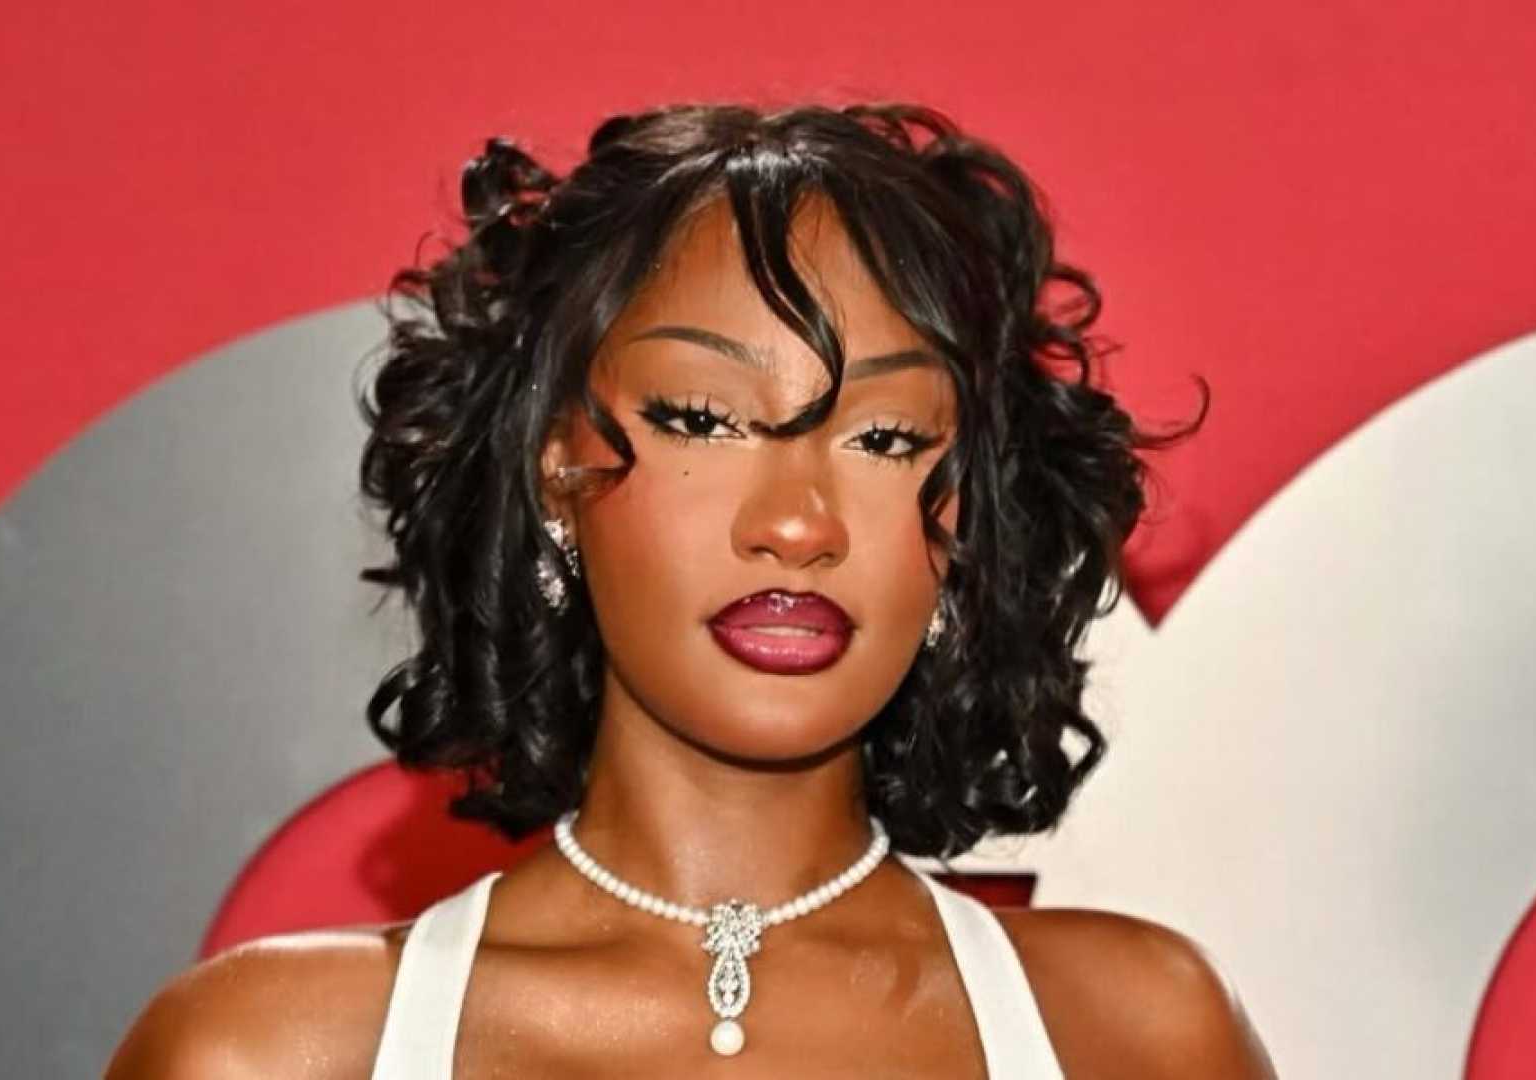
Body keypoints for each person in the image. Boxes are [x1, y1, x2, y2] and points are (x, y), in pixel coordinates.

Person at [107, 101, 1276, 1077]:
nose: (798, 522)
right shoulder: (271, 1054)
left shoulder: (1135, 1037)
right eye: (703, 419)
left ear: (962, 513)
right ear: (556, 472)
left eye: (884, 438)